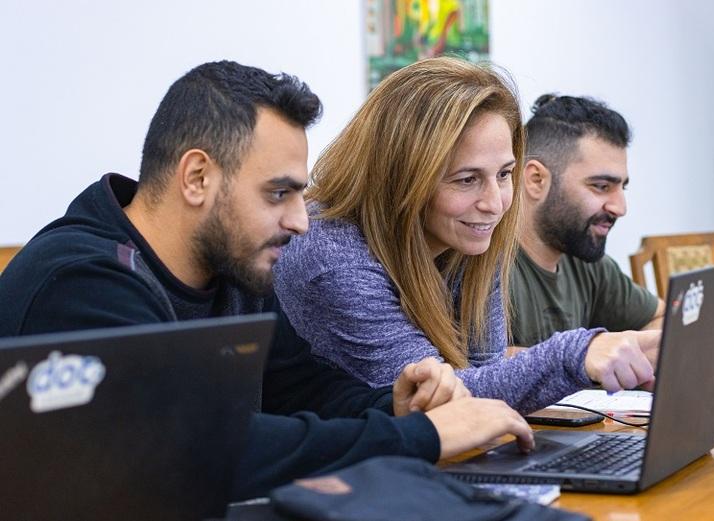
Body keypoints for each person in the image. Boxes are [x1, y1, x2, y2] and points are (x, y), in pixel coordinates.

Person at [0, 61, 535, 500]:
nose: (301, 219)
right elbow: (195, 452)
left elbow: (301, 386)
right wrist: (420, 435)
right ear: (197, 178)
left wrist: (394, 405)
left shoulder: (235, 269)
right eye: (278, 194)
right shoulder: (82, 284)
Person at [273, 57, 660, 414]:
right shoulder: (330, 254)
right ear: (401, 177)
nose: (495, 203)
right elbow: (440, 403)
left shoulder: (464, 236)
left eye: (504, 174)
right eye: (467, 179)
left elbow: (486, 375)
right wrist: (576, 354)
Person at [511, 94, 714, 356]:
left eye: (622, 187)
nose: (620, 208)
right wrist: (585, 356)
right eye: (600, 186)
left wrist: (639, 351)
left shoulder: (588, 262)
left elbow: (661, 317)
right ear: (535, 180)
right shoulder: (483, 266)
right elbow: (478, 367)